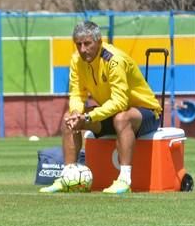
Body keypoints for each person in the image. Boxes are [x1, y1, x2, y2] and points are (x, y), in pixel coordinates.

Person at [40, 20, 162, 194]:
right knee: (69, 118)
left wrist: (89, 117)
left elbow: (120, 101)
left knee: (122, 117)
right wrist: (77, 113)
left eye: (87, 44)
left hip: (146, 113)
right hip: (110, 112)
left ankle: (124, 180)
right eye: (78, 44)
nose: (82, 49)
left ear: (99, 41)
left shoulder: (114, 60)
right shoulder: (76, 60)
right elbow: (77, 93)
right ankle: (68, 176)